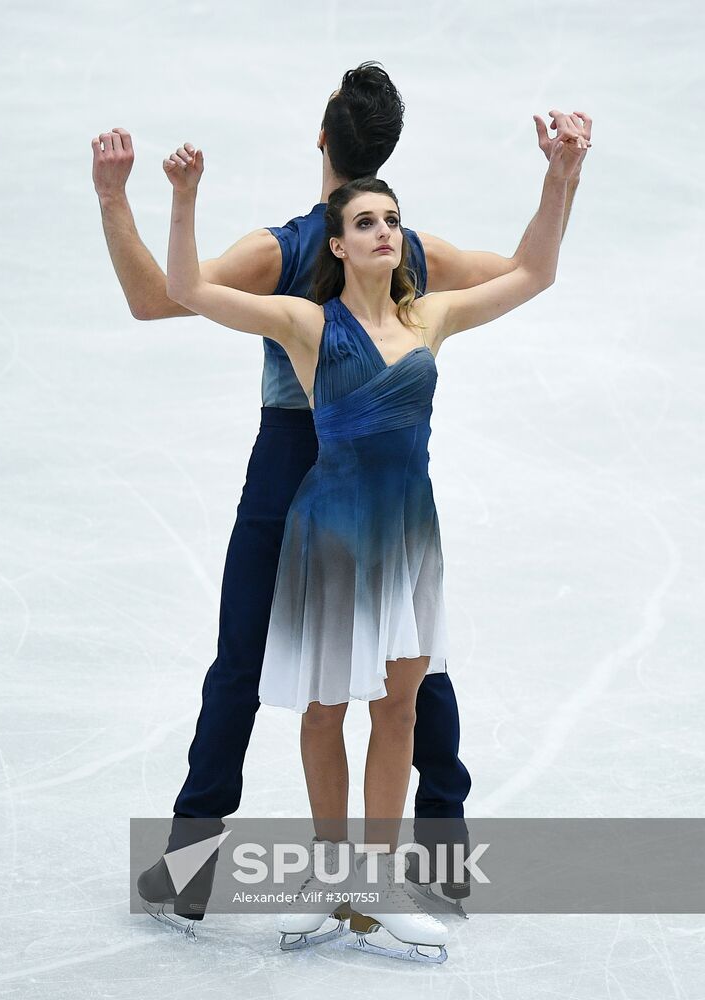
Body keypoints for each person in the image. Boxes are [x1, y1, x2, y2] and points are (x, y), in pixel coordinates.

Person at [92, 62, 590, 935]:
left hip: (292, 462)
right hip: (359, 473)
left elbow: (151, 296)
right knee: (411, 665)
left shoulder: (285, 248)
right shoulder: (409, 253)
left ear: (321, 137)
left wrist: (115, 199)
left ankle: (193, 867)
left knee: (254, 658)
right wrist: (558, 177)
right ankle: (433, 854)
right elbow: (521, 264)